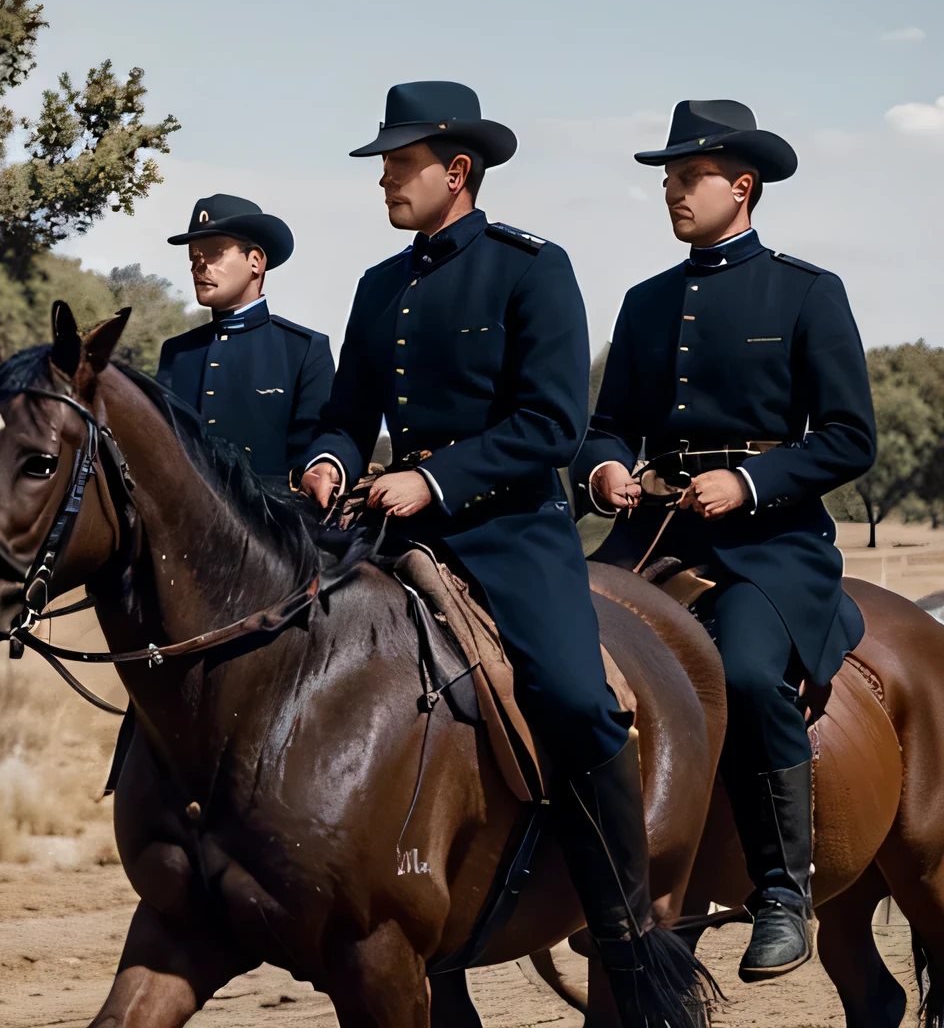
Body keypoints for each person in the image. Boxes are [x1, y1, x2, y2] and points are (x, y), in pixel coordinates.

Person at [302, 81, 706, 1027]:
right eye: (385, 167)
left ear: (457, 170)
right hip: (393, 529)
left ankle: (621, 926)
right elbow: (347, 412)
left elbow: (552, 422)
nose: (386, 182)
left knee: (572, 694)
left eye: (400, 165)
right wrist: (327, 459)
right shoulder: (377, 285)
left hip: (512, 534)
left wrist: (435, 483)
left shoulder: (533, 268)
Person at [570, 99, 876, 982]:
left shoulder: (809, 291)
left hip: (772, 544)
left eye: (684, 177)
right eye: (665, 179)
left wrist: (749, 481)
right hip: (649, 533)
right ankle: (603, 874)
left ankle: (782, 890)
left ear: (740, 187)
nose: (669, 191)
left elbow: (850, 438)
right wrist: (602, 474)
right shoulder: (645, 301)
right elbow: (607, 426)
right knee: (557, 654)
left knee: (743, 673)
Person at [156, 193, 333, 476]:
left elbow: (310, 460)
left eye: (214, 251)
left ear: (255, 261)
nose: (198, 265)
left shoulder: (305, 350)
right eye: (193, 254)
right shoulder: (177, 352)